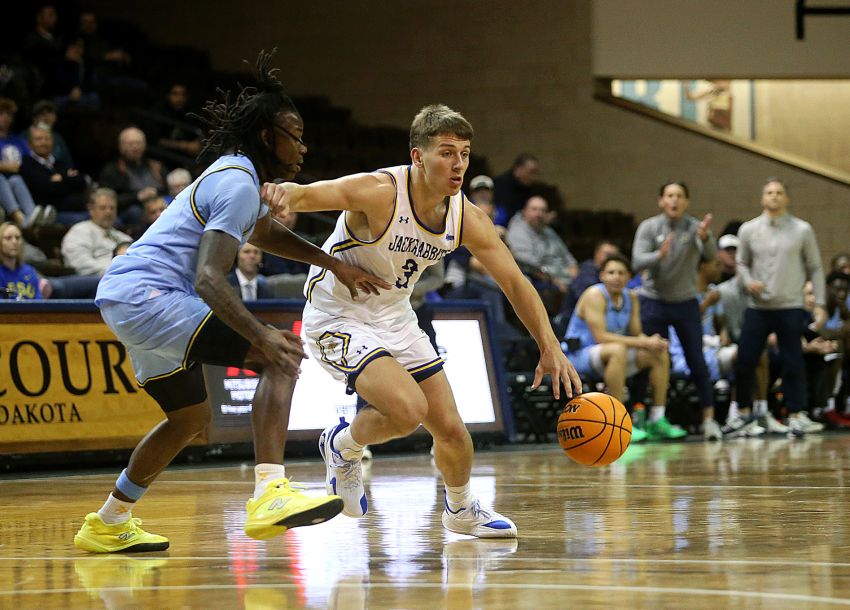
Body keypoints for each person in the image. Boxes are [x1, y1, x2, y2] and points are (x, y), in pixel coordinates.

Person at [73, 50, 389, 553]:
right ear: (266, 135)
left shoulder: (238, 178)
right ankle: (269, 492)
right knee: (280, 356)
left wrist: (333, 264)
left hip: (126, 298)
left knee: (189, 418)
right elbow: (208, 278)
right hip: (150, 295)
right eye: (295, 135)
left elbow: (265, 233)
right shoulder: (239, 183)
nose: (303, 146)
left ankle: (108, 521)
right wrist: (261, 336)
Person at [262, 104, 580, 538]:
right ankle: (343, 445)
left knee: (453, 431)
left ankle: (461, 509)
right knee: (408, 411)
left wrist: (549, 344)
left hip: (396, 315)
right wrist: (279, 193)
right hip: (338, 314)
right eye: (447, 153)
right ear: (418, 156)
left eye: (464, 153)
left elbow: (514, 281)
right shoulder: (380, 191)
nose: (458, 164)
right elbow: (304, 194)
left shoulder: (466, 216)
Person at [735, 178, 827, 437]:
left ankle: (796, 414)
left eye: (779, 192)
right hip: (758, 306)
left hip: (790, 304)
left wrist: (820, 303)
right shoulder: (748, 229)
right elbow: (741, 262)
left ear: (787, 198)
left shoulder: (802, 229)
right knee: (745, 359)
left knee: (792, 360)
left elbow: (815, 267)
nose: (774, 196)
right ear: (762, 198)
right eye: (769, 192)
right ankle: (742, 413)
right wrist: (747, 281)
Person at [632, 181, 718, 440]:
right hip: (653, 300)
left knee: (697, 360)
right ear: (661, 200)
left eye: (679, 196)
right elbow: (637, 261)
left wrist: (706, 238)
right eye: (669, 195)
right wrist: (658, 256)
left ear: (687, 201)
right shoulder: (649, 227)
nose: (674, 200)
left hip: (685, 301)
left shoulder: (695, 227)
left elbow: (712, 255)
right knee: (649, 358)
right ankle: (639, 420)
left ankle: (709, 420)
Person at [564, 253, 672, 442]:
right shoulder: (594, 295)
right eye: (611, 272)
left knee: (658, 353)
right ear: (602, 276)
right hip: (579, 355)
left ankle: (657, 419)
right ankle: (618, 422)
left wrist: (652, 341)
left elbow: (636, 333)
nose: (616, 277)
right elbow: (601, 337)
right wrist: (643, 342)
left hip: (613, 355)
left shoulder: (631, 297)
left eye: (621, 273)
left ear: (629, 276)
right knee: (617, 349)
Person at [506, 195, 578, 316]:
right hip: (545, 279)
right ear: (525, 211)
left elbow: (567, 257)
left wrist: (575, 272)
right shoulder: (517, 231)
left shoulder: (549, 232)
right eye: (534, 209)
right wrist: (554, 280)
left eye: (542, 210)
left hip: (565, 276)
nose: (538, 214)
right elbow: (527, 263)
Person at [98, 126, 166, 225]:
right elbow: (108, 199)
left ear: (144, 145)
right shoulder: (112, 170)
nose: (135, 147)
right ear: (121, 147)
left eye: (138, 143)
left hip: (159, 204)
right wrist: (137, 197)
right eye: (130, 144)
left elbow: (167, 189)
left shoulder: (156, 166)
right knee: (135, 212)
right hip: (132, 209)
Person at [60, 188, 133, 276]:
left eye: (112, 208)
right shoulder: (80, 231)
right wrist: (116, 273)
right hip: (96, 279)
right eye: (103, 208)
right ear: (91, 209)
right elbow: (80, 265)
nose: (108, 212)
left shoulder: (124, 238)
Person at [19, 123, 86, 216]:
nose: (44, 143)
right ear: (29, 144)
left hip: (74, 208)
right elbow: (46, 188)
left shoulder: (59, 162)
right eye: (39, 139)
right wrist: (68, 178)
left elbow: (81, 182)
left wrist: (61, 177)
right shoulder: (26, 164)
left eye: (47, 139)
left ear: (53, 141)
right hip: (49, 214)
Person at [0, 222, 42, 300]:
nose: (14, 242)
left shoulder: (30, 271)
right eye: (8, 238)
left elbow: (39, 302)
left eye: (17, 238)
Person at [492, 153, 540, 220]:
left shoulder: (530, 187)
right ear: (519, 169)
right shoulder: (501, 184)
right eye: (531, 172)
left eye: (536, 173)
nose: (534, 177)